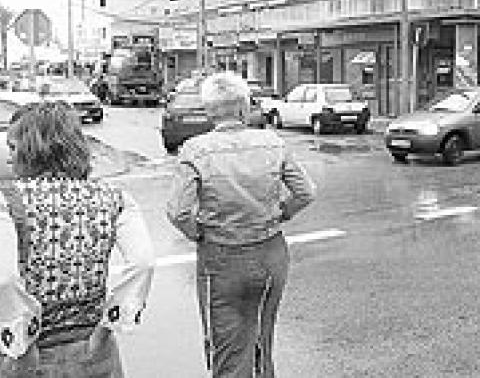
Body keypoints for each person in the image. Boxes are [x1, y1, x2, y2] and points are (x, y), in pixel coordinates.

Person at [166, 72, 315, 377]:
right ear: (244, 108)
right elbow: (305, 192)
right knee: (261, 337)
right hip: (270, 253)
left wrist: (198, 233)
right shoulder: (272, 143)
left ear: (209, 112)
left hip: (221, 258)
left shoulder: (195, 150)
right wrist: (282, 213)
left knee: (226, 346)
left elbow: (178, 212)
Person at [0, 102, 155, 377]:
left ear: (33, 149)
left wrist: (21, 340)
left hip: (31, 354)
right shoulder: (114, 197)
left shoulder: (8, 201)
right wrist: (108, 326)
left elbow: (5, 278)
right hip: (93, 349)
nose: (8, 158)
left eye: (13, 148)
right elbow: (143, 263)